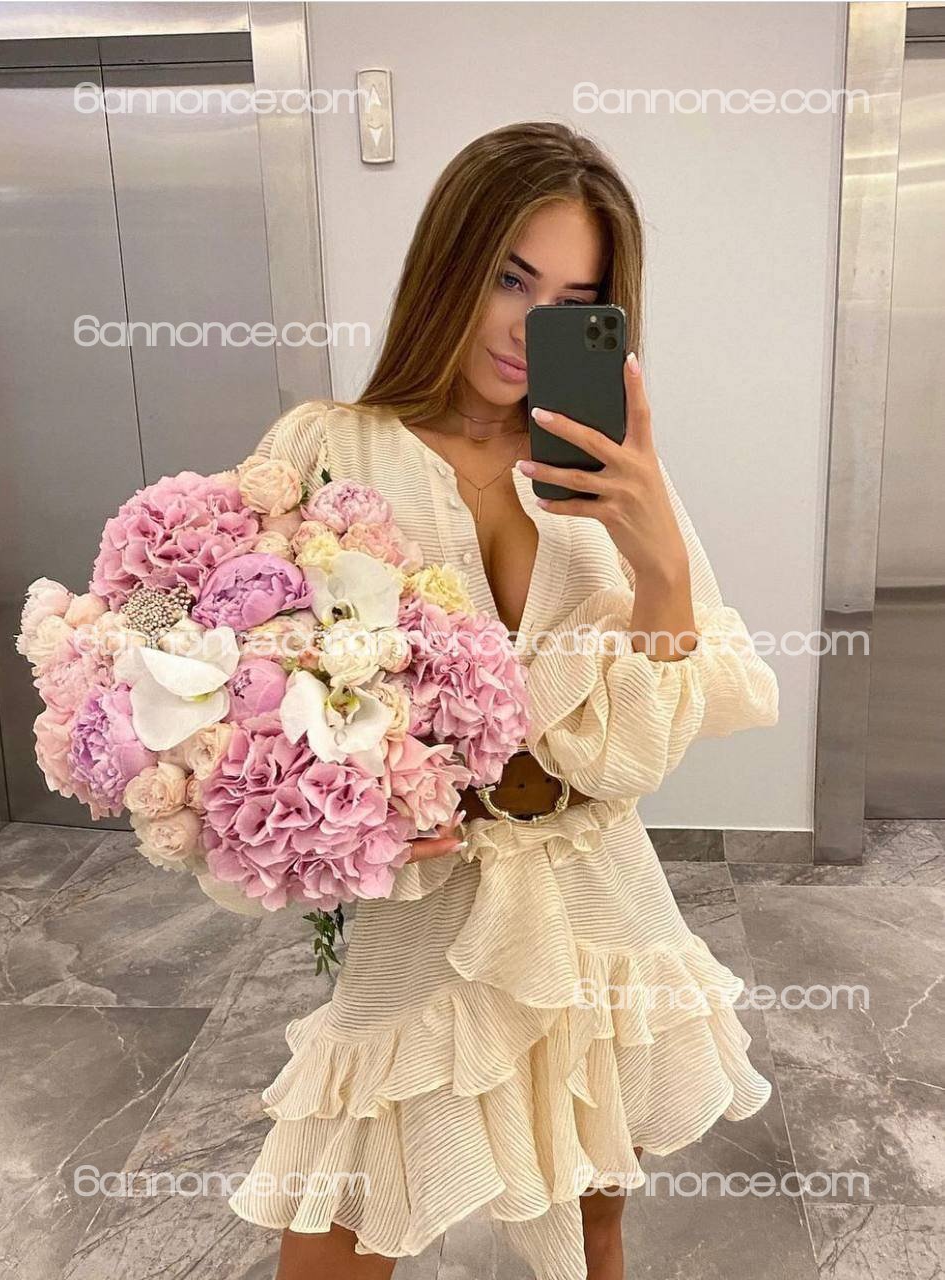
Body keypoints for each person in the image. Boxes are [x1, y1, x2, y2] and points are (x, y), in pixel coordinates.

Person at [228, 120, 779, 1280]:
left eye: (571, 302)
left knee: (593, 1223)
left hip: (596, 891)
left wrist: (658, 561)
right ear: (449, 263)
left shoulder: (610, 467)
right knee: (337, 1227)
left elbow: (633, 753)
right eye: (508, 278)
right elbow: (252, 687)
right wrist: (363, 810)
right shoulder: (324, 446)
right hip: (429, 901)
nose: (528, 329)